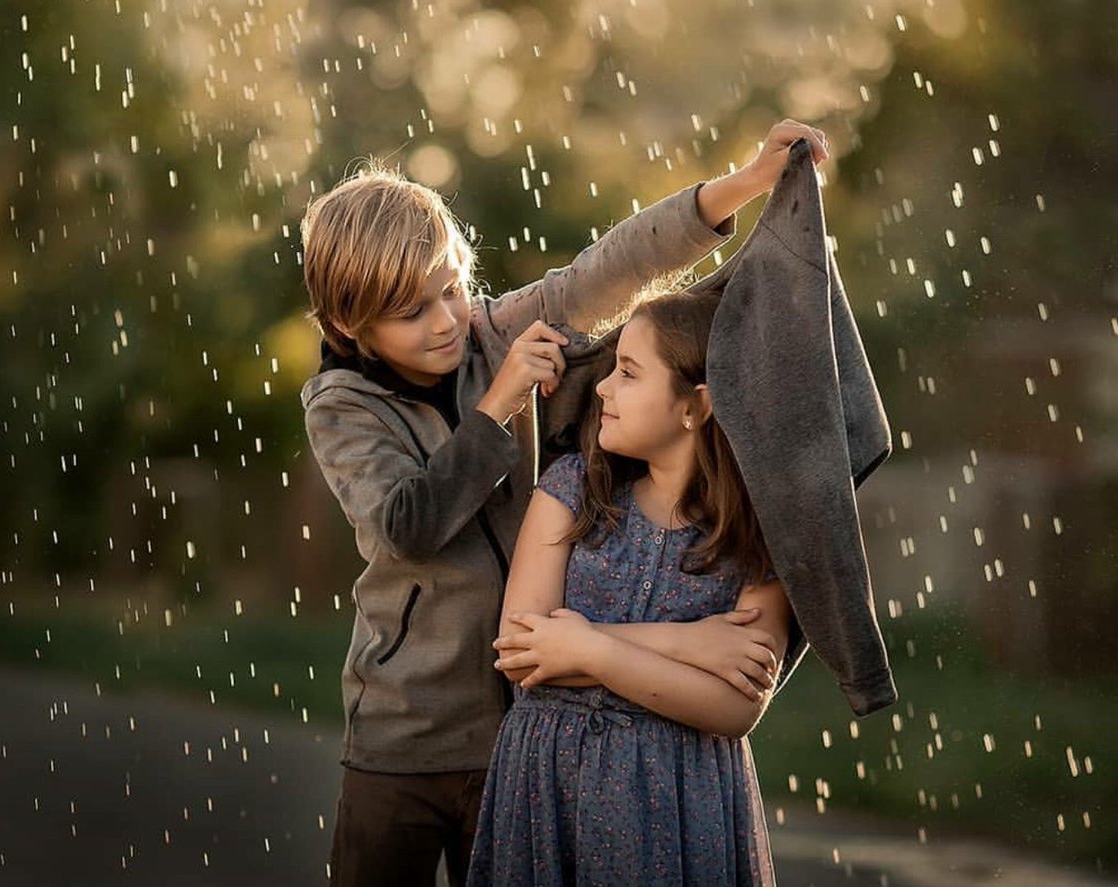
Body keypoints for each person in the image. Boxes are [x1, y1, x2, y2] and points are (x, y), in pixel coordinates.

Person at [300, 120, 827, 887]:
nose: (447, 321)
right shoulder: (341, 406)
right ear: (352, 323)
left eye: (452, 288)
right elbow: (409, 527)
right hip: (403, 736)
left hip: (518, 736)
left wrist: (745, 183)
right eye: (413, 312)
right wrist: (501, 402)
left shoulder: (494, 332)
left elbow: (610, 267)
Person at [468, 290, 794, 886]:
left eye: (628, 373)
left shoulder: (756, 532)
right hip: (548, 782)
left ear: (696, 406)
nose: (602, 388)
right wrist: (687, 644)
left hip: (678, 797)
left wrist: (586, 649)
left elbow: (736, 707)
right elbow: (521, 653)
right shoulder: (573, 488)